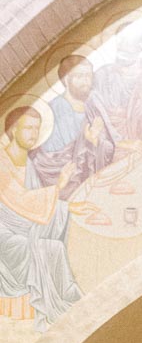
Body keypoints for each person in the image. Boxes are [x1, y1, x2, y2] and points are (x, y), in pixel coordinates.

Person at [0, 106, 81, 329]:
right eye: (28, 128)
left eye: (36, 129)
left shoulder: (28, 163)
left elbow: (32, 205)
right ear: (13, 130)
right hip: (4, 232)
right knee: (36, 247)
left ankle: (61, 298)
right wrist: (59, 186)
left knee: (61, 223)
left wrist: (66, 207)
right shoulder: (1, 161)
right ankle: (53, 306)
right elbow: (19, 200)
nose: (33, 134)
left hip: (23, 223)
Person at [31, 56, 117, 197]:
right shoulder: (55, 111)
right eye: (79, 76)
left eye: (89, 76)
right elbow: (49, 161)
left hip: (92, 183)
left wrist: (95, 142)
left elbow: (108, 148)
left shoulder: (91, 107)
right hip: (64, 185)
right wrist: (87, 143)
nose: (86, 82)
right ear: (66, 80)